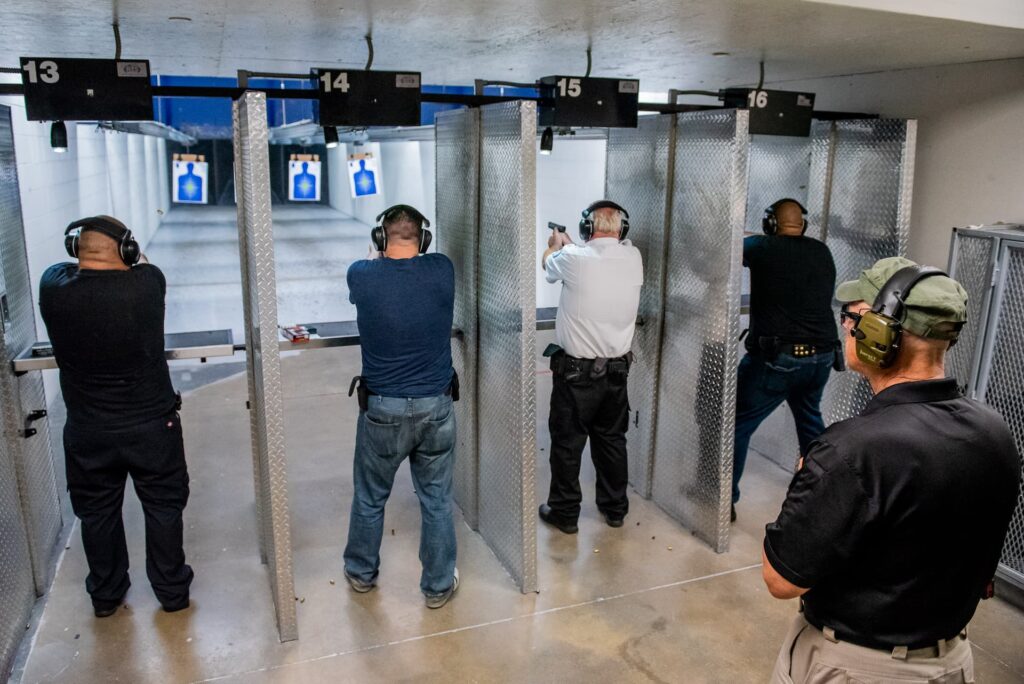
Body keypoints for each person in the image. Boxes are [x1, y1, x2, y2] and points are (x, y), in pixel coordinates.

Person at [762, 256, 1021, 683]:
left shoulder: (853, 450)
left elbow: (781, 578)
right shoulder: (995, 431)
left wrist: (811, 479)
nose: (846, 327)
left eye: (853, 318)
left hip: (857, 667)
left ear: (881, 334)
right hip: (952, 663)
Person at [39, 216, 192, 618]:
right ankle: (172, 592)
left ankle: (106, 596)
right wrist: (131, 253)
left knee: (98, 514)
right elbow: (142, 264)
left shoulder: (54, 290)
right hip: (152, 427)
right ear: (126, 250)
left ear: (76, 251)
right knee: (163, 509)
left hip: (89, 431)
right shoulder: (146, 285)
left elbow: (64, 268)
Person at [342, 204, 460, 608]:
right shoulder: (442, 269)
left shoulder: (361, 273)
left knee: (371, 497)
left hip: (383, 411)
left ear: (380, 237)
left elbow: (369, 277)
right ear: (423, 239)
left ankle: (361, 572)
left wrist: (376, 256)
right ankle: (438, 584)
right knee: (437, 500)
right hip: (436, 408)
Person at [538, 200, 643, 534]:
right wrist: (573, 248)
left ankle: (565, 513)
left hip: (576, 375)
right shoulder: (633, 256)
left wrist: (554, 245)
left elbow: (548, 265)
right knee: (612, 440)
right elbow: (595, 259)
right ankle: (615, 509)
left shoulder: (571, 259)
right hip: (617, 374)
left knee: (568, 444)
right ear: (622, 229)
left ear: (586, 229)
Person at [732, 198, 838, 521]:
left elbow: (730, 244)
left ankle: (723, 500)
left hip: (778, 360)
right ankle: (827, 497)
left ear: (771, 224)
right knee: (811, 426)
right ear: (802, 224)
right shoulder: (821, 251)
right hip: (820, 359)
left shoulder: (763, 248)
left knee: (736, 423)